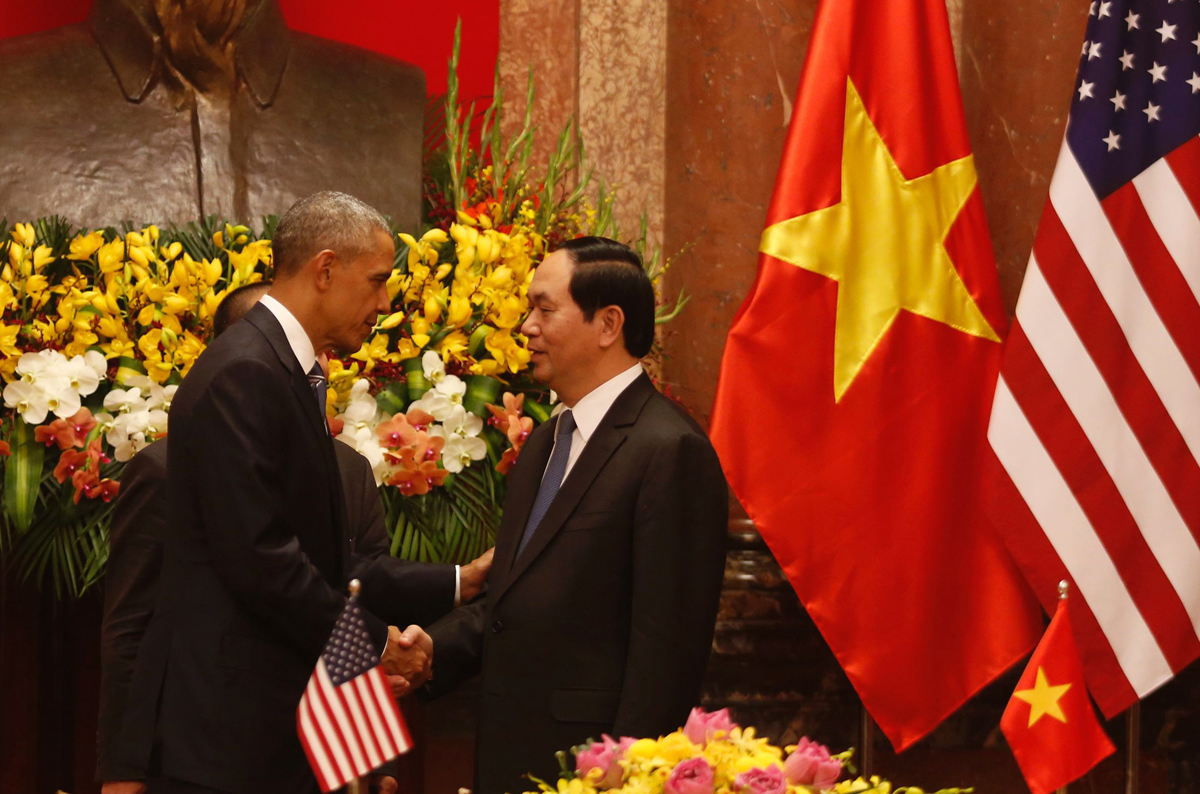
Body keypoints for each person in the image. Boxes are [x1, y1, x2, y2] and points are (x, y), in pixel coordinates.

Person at [97, 281, 492, 794]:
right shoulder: (165, 470)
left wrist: (370, 764)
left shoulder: (348, 471)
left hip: (322, 756)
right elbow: (132, 627)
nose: (320, 371)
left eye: (322, 355)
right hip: (215, 750)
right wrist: (123, 772)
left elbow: (354, 601)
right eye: (305, 353)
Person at [427, 237, 730, 793]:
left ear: (608, 324)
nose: (525, 327)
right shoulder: (545, 442)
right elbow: (512, 603)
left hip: (594, 772)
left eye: (544, 309)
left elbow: (666, 657)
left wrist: (627, 777)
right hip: (512, 760)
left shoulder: (669, 449)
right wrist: (428, 652)